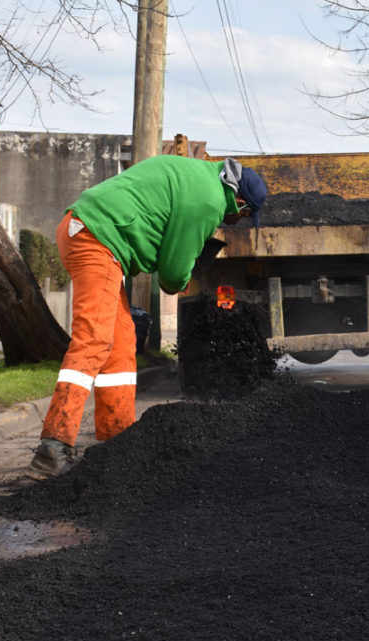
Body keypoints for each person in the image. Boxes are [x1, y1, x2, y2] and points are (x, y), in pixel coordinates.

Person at [27, 155, 268, 479]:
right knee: (94, 339)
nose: (237, 221)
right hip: (96, 238)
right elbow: (171, 275)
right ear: (238, 200)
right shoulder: (209, 201)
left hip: (92, 234)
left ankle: (117, 440)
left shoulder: (200, 175)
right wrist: (188, 279)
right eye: (245, 214)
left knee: (122, 342)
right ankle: (53, 446)